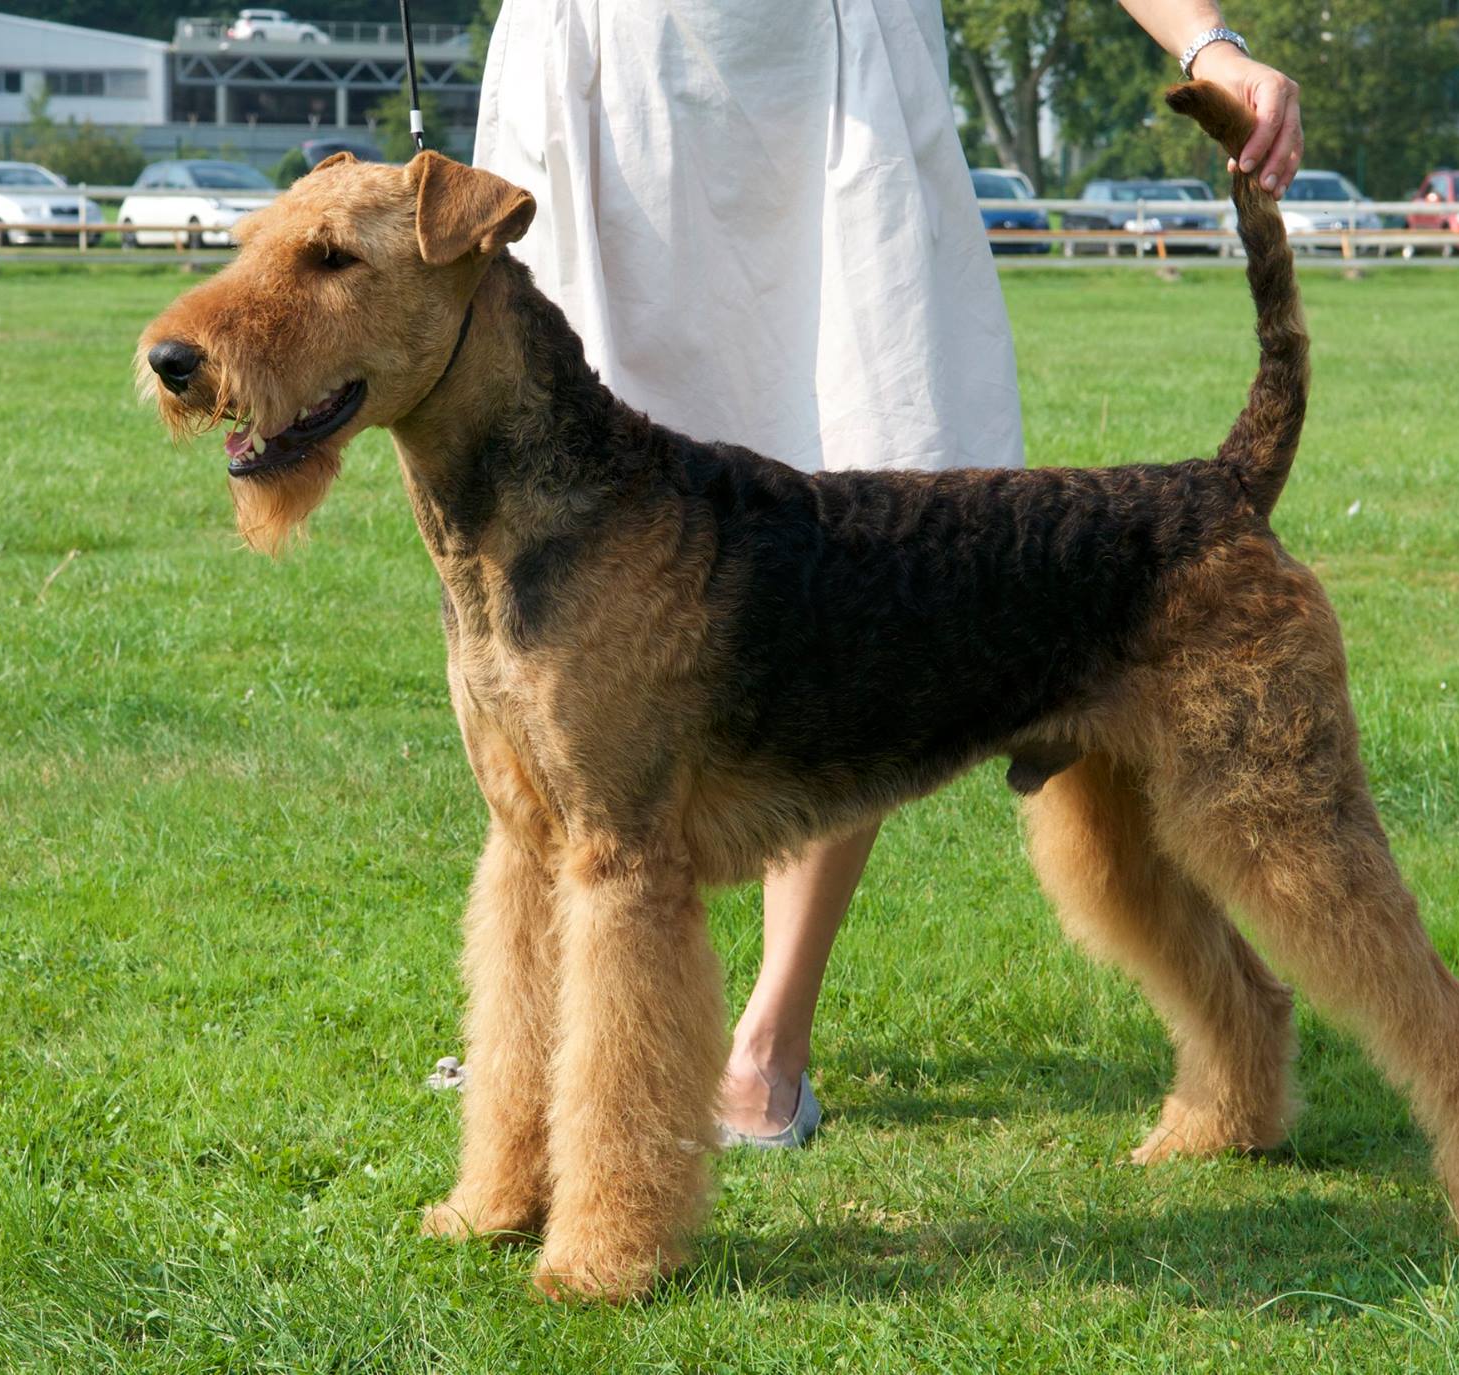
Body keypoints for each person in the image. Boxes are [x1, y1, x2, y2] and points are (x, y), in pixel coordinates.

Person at [472, 1, 1305, 1144]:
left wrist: (1206, 43)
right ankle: (540, 1067)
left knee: (856, 568)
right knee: (559, 688)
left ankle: (765, 1043)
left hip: (824, 82)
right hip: (602, 83)